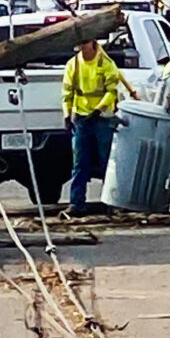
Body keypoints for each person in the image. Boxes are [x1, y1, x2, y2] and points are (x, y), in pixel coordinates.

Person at [62, 37, 122, 215]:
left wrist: (97, 110)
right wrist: (66, 115)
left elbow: (112, 91)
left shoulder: (105, 63)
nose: (82, 47)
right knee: (80, 163)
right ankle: (77, 203)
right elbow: (67, 93)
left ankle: (110, 202)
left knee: (107, 162)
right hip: (81, 119)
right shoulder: (74, 64)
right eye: (80, 43)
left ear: (93, 43)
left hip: (101, 119)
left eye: (85, 43)